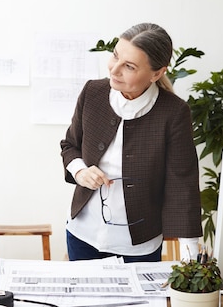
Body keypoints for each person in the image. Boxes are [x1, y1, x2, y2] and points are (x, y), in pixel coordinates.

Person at [60, 22, 202, 262]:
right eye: (115, 56)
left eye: (129, 66)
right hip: (82, 233)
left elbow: (183, 183)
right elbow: (70, 146)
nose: (114, 70)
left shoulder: (173, 112)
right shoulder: (93, 93)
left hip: (138, 245)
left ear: (156, 73)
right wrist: (80, 171)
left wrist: (191, 257)